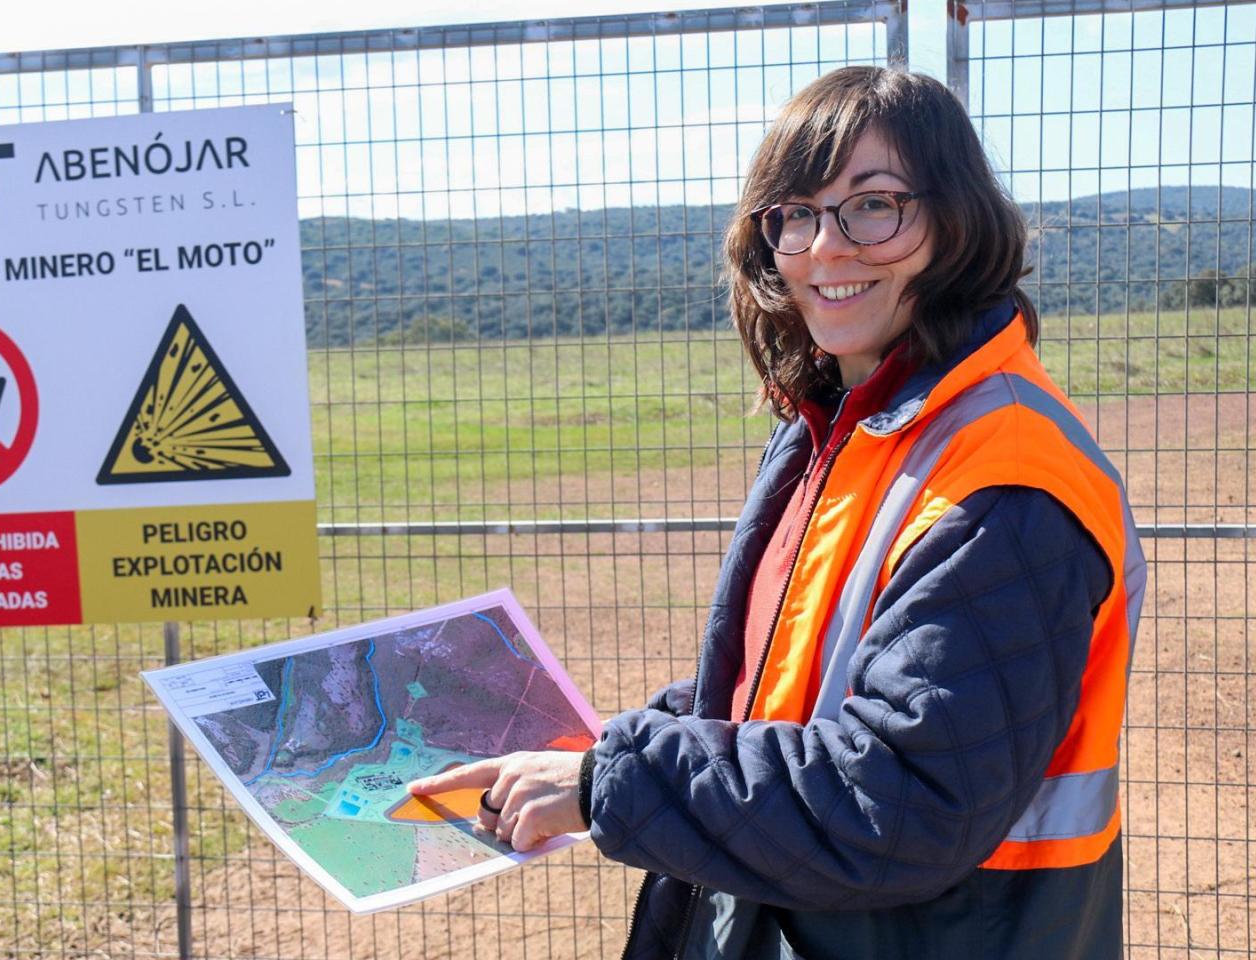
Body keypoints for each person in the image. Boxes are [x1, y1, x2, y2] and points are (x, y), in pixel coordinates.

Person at [409, 65, 1146, 959]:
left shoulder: (1005, 479)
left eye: (872, 205)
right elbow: (783, 692)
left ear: (953, 223)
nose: (825, 248)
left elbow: (900, 801)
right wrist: (600, 745)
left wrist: (615, 781)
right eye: (796, 214)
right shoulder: (842, 430)